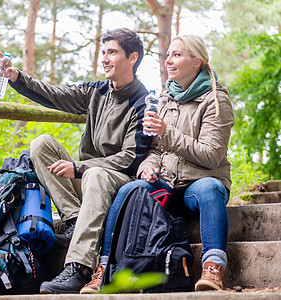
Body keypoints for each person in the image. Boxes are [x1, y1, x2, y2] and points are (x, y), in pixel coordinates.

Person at [0, 28, 152, 294]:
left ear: (132, 57)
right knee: (41, 144)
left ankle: (79, 267)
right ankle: (75, 218)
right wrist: (16, 77)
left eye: (112, 52)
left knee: (96, 174)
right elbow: (54, 94)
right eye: (103, 52)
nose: (104, 59)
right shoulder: (96, 92)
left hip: (119, 182)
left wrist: (80, 167)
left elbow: (130, 158)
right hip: (86, 181)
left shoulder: (144, 101)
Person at [80, 35, 235, 294]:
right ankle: (104, 270)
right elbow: (153, 149)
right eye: (168, 55)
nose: (168, 61)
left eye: (177, 55)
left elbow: (211, 156)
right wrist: (147, 166)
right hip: (165, 185)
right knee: (129, 189)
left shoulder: (216, 100)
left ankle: (213, 267)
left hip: (196, 186)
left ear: (196, 62)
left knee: (210, 187)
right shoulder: (164, 99)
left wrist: (167, 133)